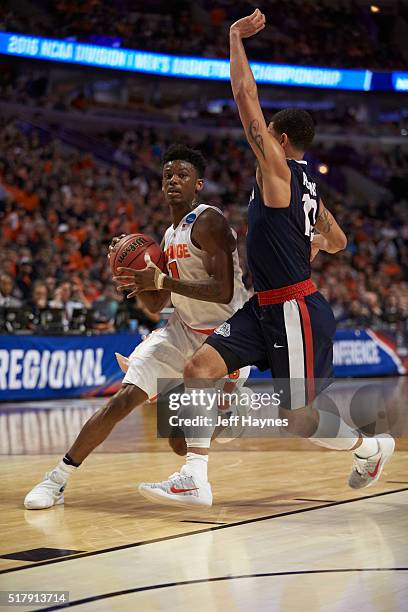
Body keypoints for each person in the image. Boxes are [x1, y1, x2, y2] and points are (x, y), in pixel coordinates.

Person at [138, 9, 395, 507]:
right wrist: (314, 243)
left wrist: (234, 37)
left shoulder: (279, 173)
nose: (256, 143)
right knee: (199, 369)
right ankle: (194, 475)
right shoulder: (309, 191)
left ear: (278, 142)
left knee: (295, 416)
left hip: (294, 308)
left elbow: (244, 96)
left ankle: (369, 448)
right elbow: (339, 240)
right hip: (264, 305)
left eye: (264, 138)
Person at [24, 144, 250, 510]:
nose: (174, 180)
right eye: (168, 176)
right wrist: (135, 280)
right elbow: (157, 304)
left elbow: (222, 290)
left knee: (179, 442)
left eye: (183, 176)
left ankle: (229, 412)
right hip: (182, 330)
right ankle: (58, 479)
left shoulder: (210, 221)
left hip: (226, 339)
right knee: (122, 399)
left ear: (198, 185)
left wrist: (160, 281)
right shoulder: (168, 235)